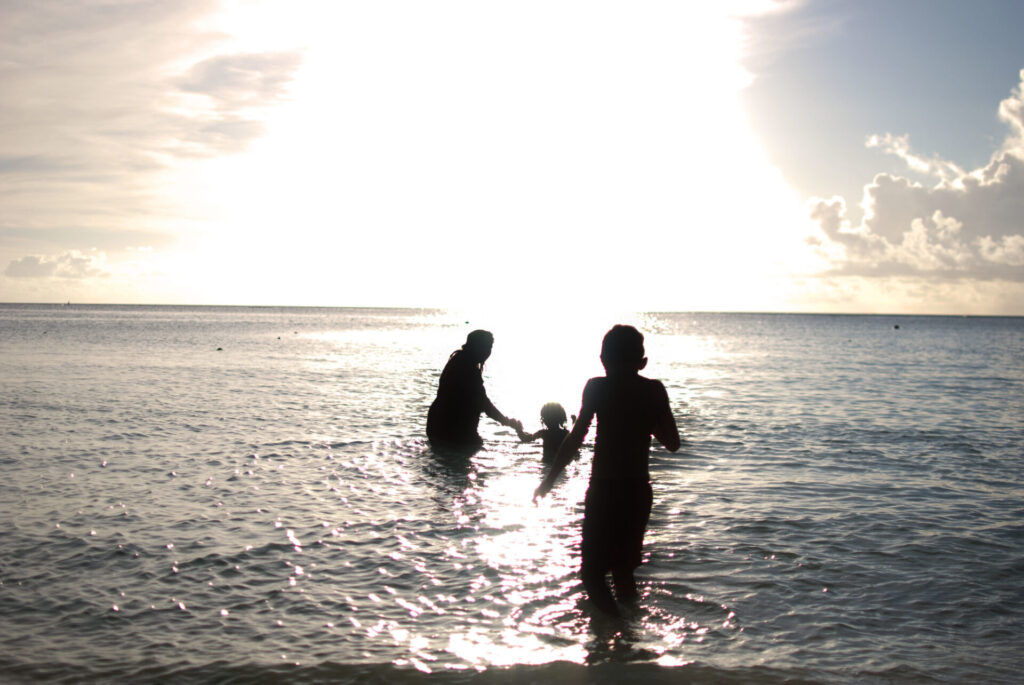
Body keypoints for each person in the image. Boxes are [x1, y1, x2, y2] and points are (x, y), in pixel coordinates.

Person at [534, 324, 680, 617]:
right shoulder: (654, 390)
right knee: (623, 572)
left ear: (603, 360)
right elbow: (673, 443)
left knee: (592, 575)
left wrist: (549, 481)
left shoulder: (597, 387)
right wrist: (644, 416)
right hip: (638, 492)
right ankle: (629, 642)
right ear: (642, 362)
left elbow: (575, 438)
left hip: (605, 490)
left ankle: (618, 629)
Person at [427, 330, 520, 450]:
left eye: (489, 347)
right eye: (485, 347)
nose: (487, 352)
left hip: (436, 427)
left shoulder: (457, 360)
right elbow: (484, 403)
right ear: (475, 346)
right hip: (454, 431)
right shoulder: (468, 368)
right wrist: (509, 422)